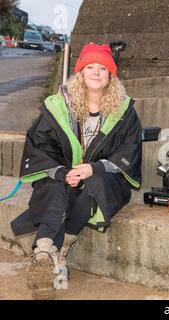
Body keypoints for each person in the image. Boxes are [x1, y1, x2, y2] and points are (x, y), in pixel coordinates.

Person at [10, 43, 143, 299]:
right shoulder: (58, 106)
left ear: (111, 76)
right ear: (80, 73)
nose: (96, 72)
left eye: (103, 68)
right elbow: (40, 146)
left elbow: (129, 150)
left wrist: (94, 168)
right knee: (57, 187)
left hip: (103, 178)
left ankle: (59, 250)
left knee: (96, 185)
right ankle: (45, 252)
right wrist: (61, 172)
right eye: (90, 67)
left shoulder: (124, 112)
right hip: (63, 176)